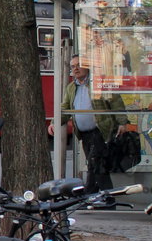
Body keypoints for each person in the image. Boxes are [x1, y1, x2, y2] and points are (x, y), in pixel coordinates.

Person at [50, 54, 128, 193]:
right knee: (95, 166)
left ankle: (101, 196)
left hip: (99, 131)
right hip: (83, 134)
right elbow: (65, 107)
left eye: (79, 65)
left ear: (87, 66)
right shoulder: (71, 87)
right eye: (73, 66)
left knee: (96, 164)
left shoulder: (98, 83)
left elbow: (116, 102)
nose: (76, 69)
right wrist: (54, 122)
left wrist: (122, 123)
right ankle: (95, 196)